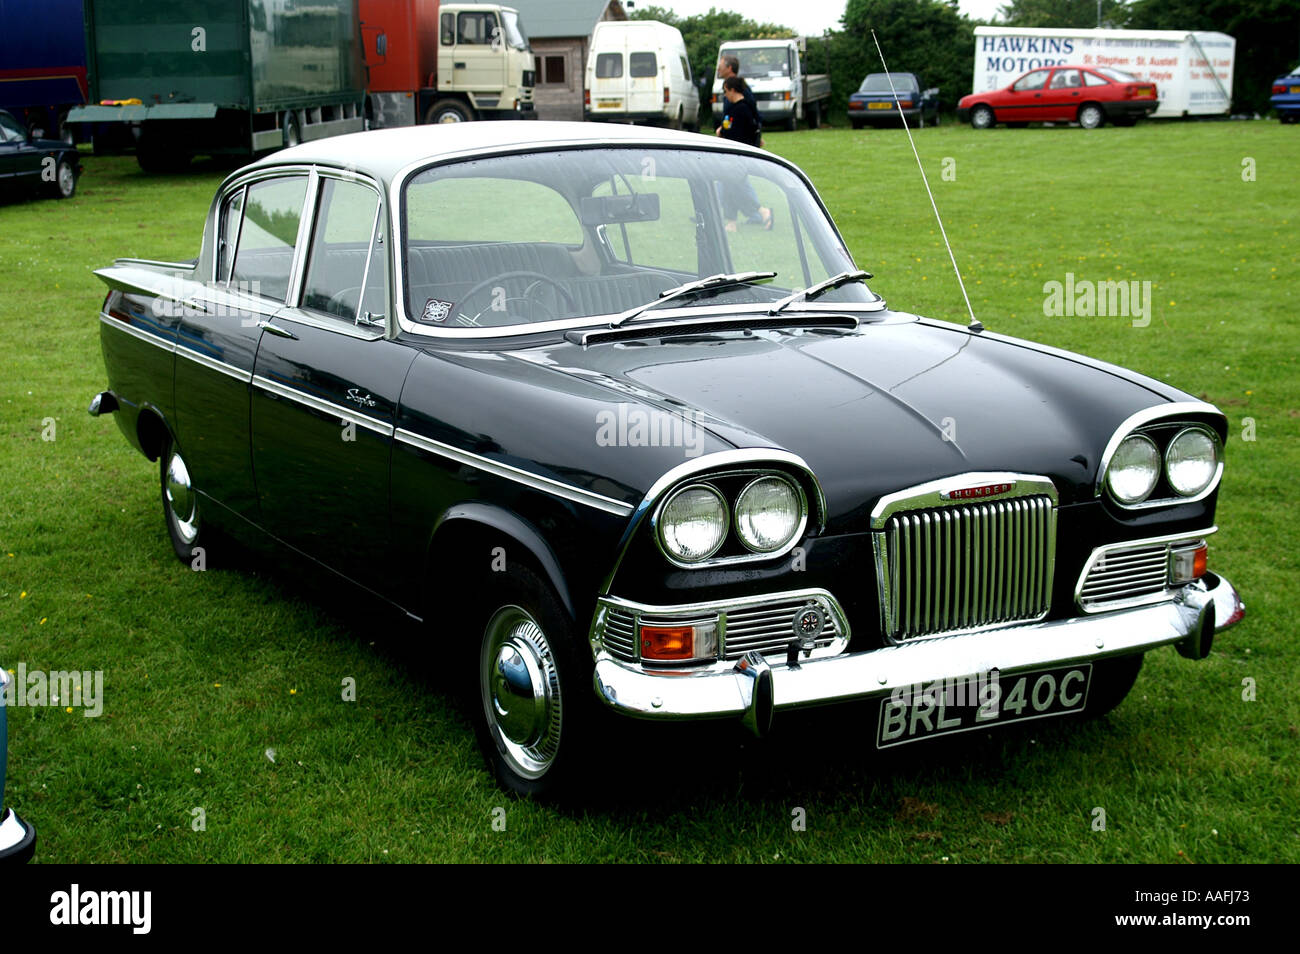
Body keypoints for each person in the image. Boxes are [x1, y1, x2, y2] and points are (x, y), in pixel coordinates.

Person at [715, 76, 773, 231]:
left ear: (733, 90)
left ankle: (762, 211)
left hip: (737, 157)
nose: (725, 95)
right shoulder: (734, 108)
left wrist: (723, 133)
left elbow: (740, 135)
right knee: (729, 187)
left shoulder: (743, 109)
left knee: (738, 187)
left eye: (726, 91)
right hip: (730, 158)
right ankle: (731, 221)